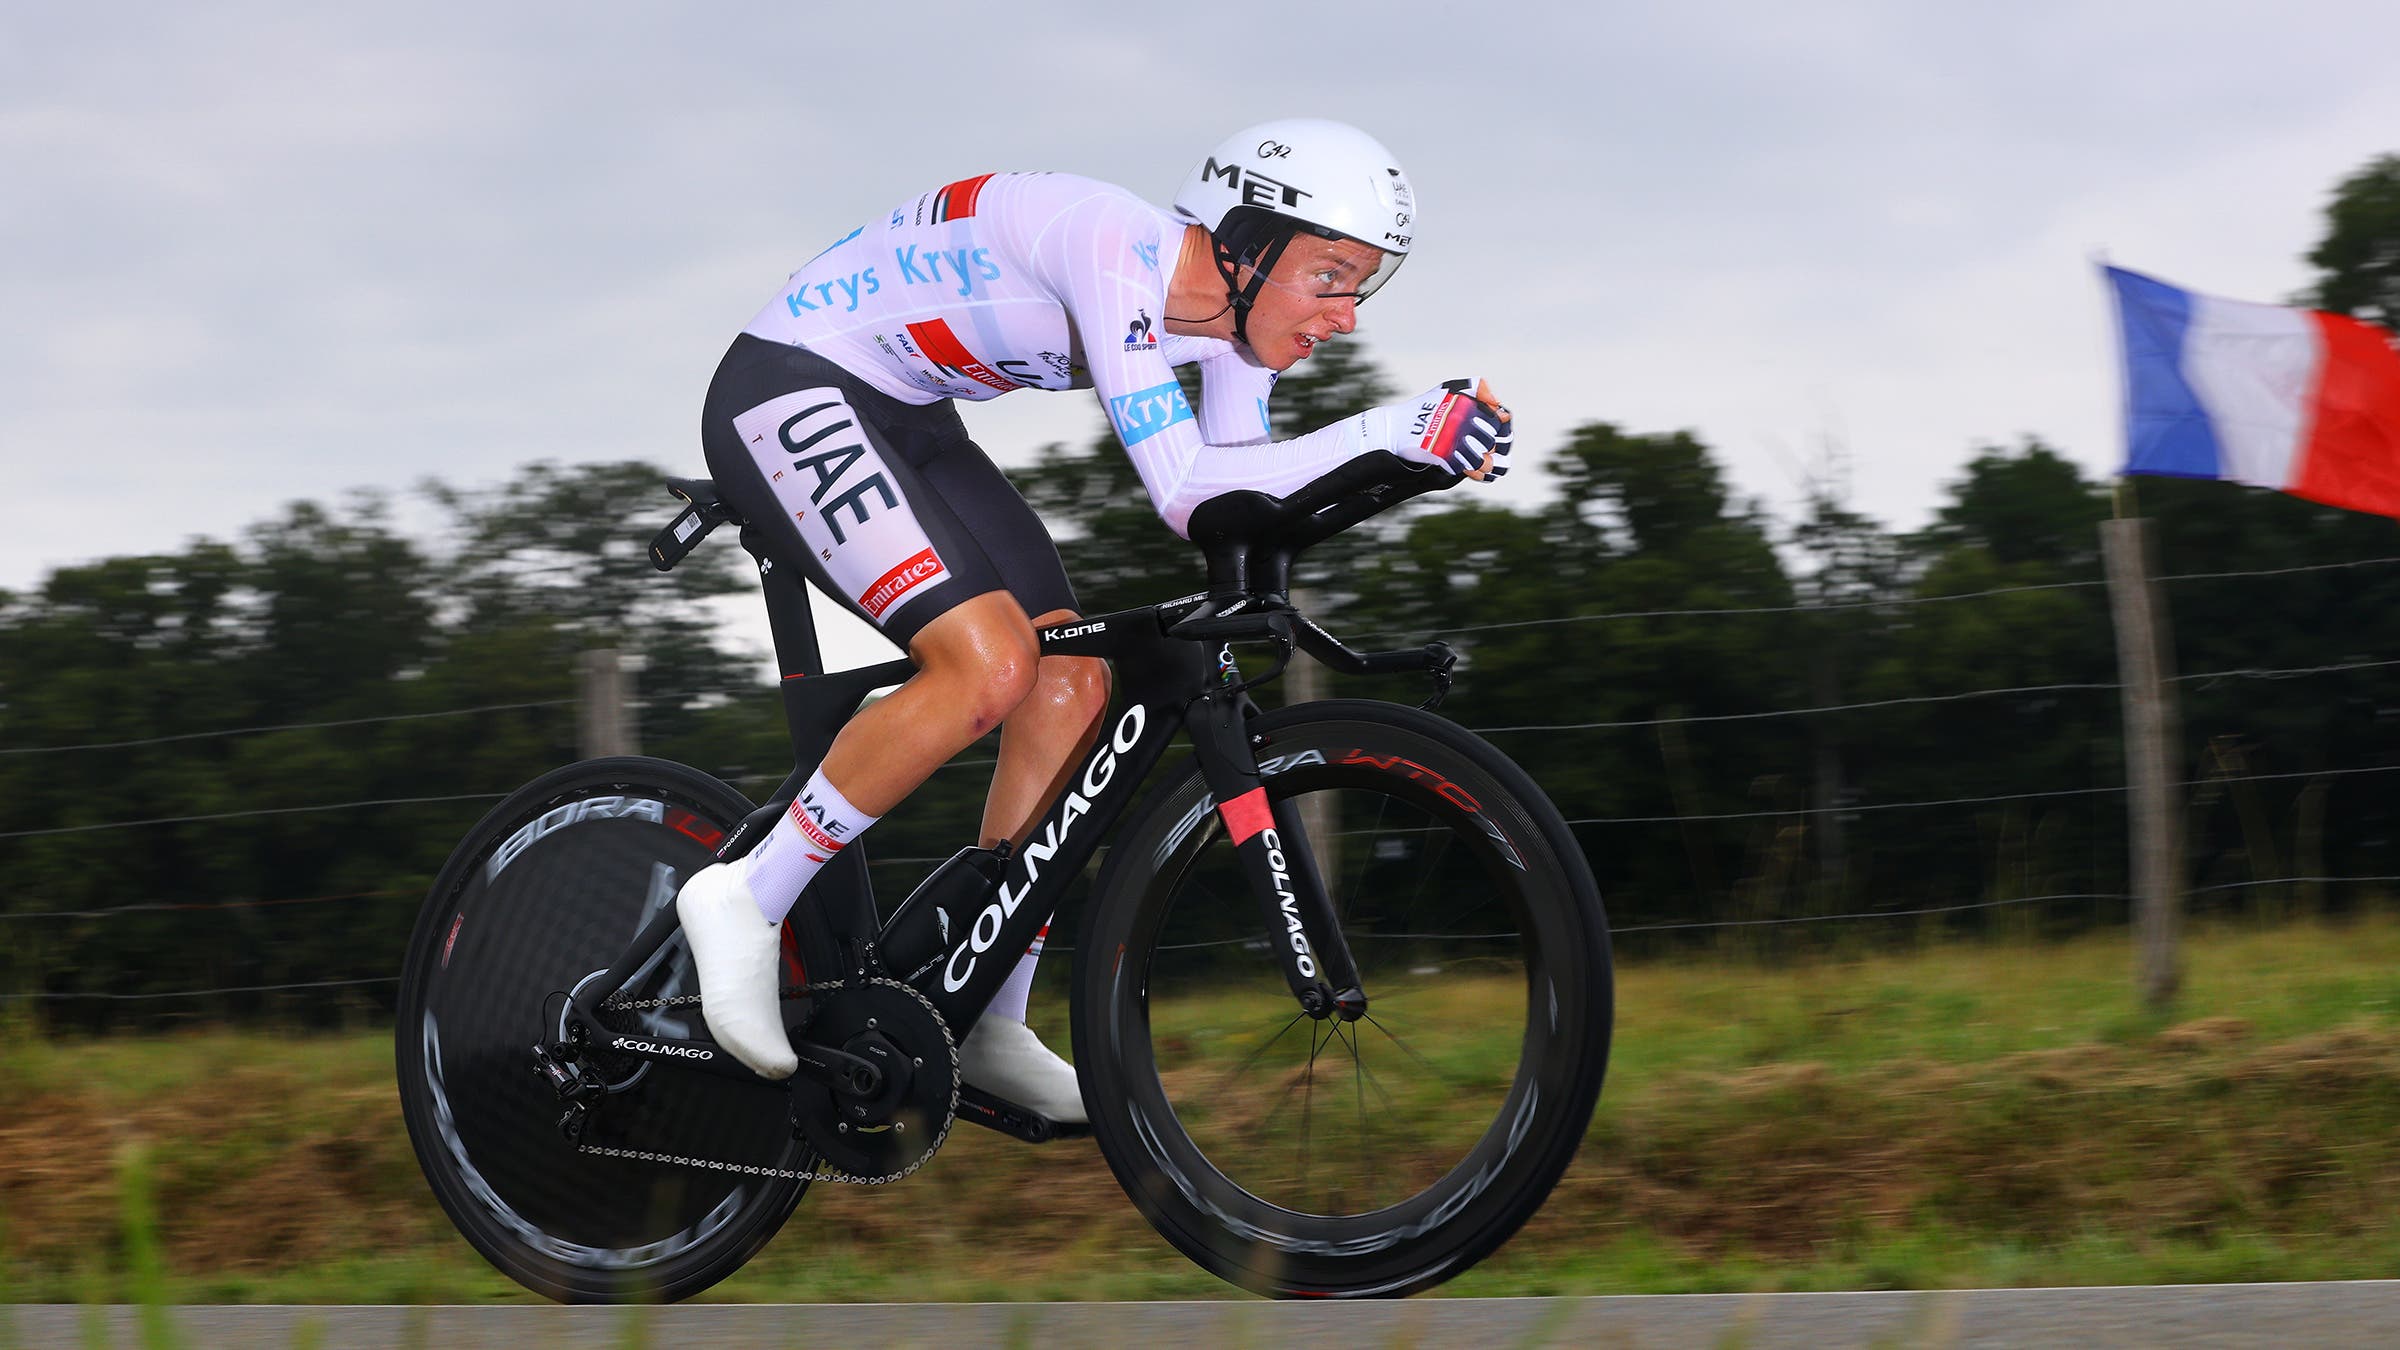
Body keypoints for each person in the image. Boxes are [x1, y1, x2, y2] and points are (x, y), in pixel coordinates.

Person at [673, 118, 1512, 1122]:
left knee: (1071, 685)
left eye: (1364, 284)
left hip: (911, 413)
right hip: (794, 383)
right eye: (1332, 275)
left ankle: (987, 1020)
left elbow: (1240, 510)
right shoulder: (1112, 245)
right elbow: (1185, 487)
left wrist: (1405, 469)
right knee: (986, 666)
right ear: (1245, 242)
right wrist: (1393, 428)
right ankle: (745, 896)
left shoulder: (1235, 335)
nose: (1348, 314)